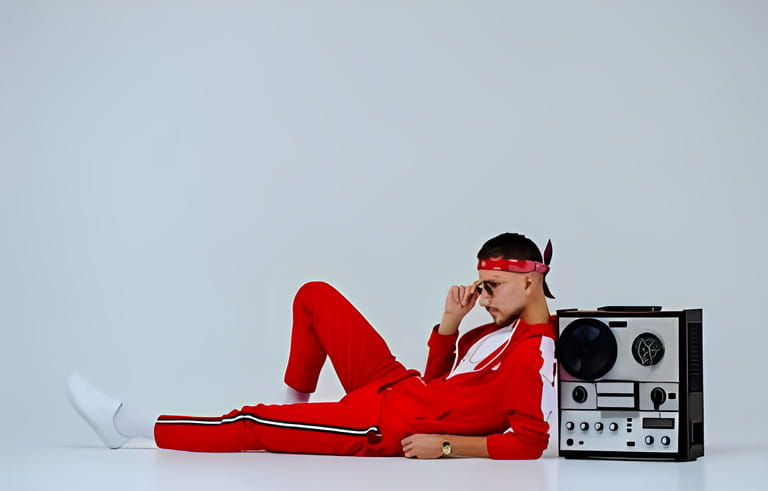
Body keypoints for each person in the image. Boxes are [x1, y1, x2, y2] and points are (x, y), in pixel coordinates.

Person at [68, 232, 557, 459]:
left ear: (529, 283)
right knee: (314, 296)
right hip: (398, 387)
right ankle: (297, 414)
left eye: (492, 286)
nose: (482, 297)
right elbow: (442, 388)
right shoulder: (492, 330)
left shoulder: (535, 353)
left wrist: (445, 446)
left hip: (386, 424)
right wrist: (449, 325)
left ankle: (128, 425)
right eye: (481, 285)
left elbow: (530, 443)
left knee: (250, 423)